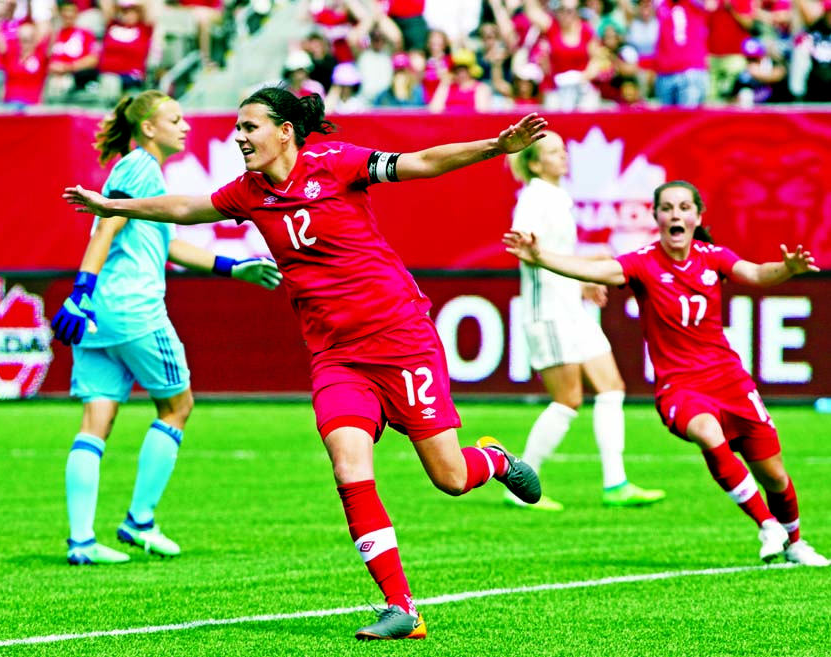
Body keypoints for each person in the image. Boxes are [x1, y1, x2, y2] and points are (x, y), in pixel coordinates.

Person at [63, 87, 547, 640]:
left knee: (451, 477)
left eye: (249, 127)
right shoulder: (248, 193)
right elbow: (183, 208)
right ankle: (401, 607)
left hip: (400, 340)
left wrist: (496, 146)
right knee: (348, 468)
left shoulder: (338, 165)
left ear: (285, 130)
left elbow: (423, 162)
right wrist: (113, 206)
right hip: (336, 356)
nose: (238, 137)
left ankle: (495, 460)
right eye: (237, 128)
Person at [503, 180, 830, 567]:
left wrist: (787, 269)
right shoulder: (643, 262)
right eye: (667, 208)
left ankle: (794, 543)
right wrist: (541, 257)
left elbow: (757, 274)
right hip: (680, 388)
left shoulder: (713, 257)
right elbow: (598, 270)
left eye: (684, 208)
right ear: (656, 217)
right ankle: (766, 525)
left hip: (730, 381)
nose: (676, 214)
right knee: (707, 432)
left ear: (697, 217)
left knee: (774, 476)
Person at [53, 89, 283, 567]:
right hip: (134, 309)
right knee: (178, 406)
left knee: (97, 420)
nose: (185, 126)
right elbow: (107, 226)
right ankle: (139, 521)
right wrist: (79, 285)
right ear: (149, 128)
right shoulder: (141, 168)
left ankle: (81, 542)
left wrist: (232, 267)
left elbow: (169, 245)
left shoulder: (137, 172)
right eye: (174, 119)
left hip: (96, 315)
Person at [506, 132, 665, 512]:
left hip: (570, 309)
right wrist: (578, 273)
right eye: (553, 152)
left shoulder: (558, 197)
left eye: (562, 150)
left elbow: (556, 254)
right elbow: (527, 251)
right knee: (568, 400)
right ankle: (517, 487)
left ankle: (616, 484)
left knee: (611, 388)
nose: (564, 156)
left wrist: (582, 280)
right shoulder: (533, 198)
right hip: (548, 313)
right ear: (533, 163)